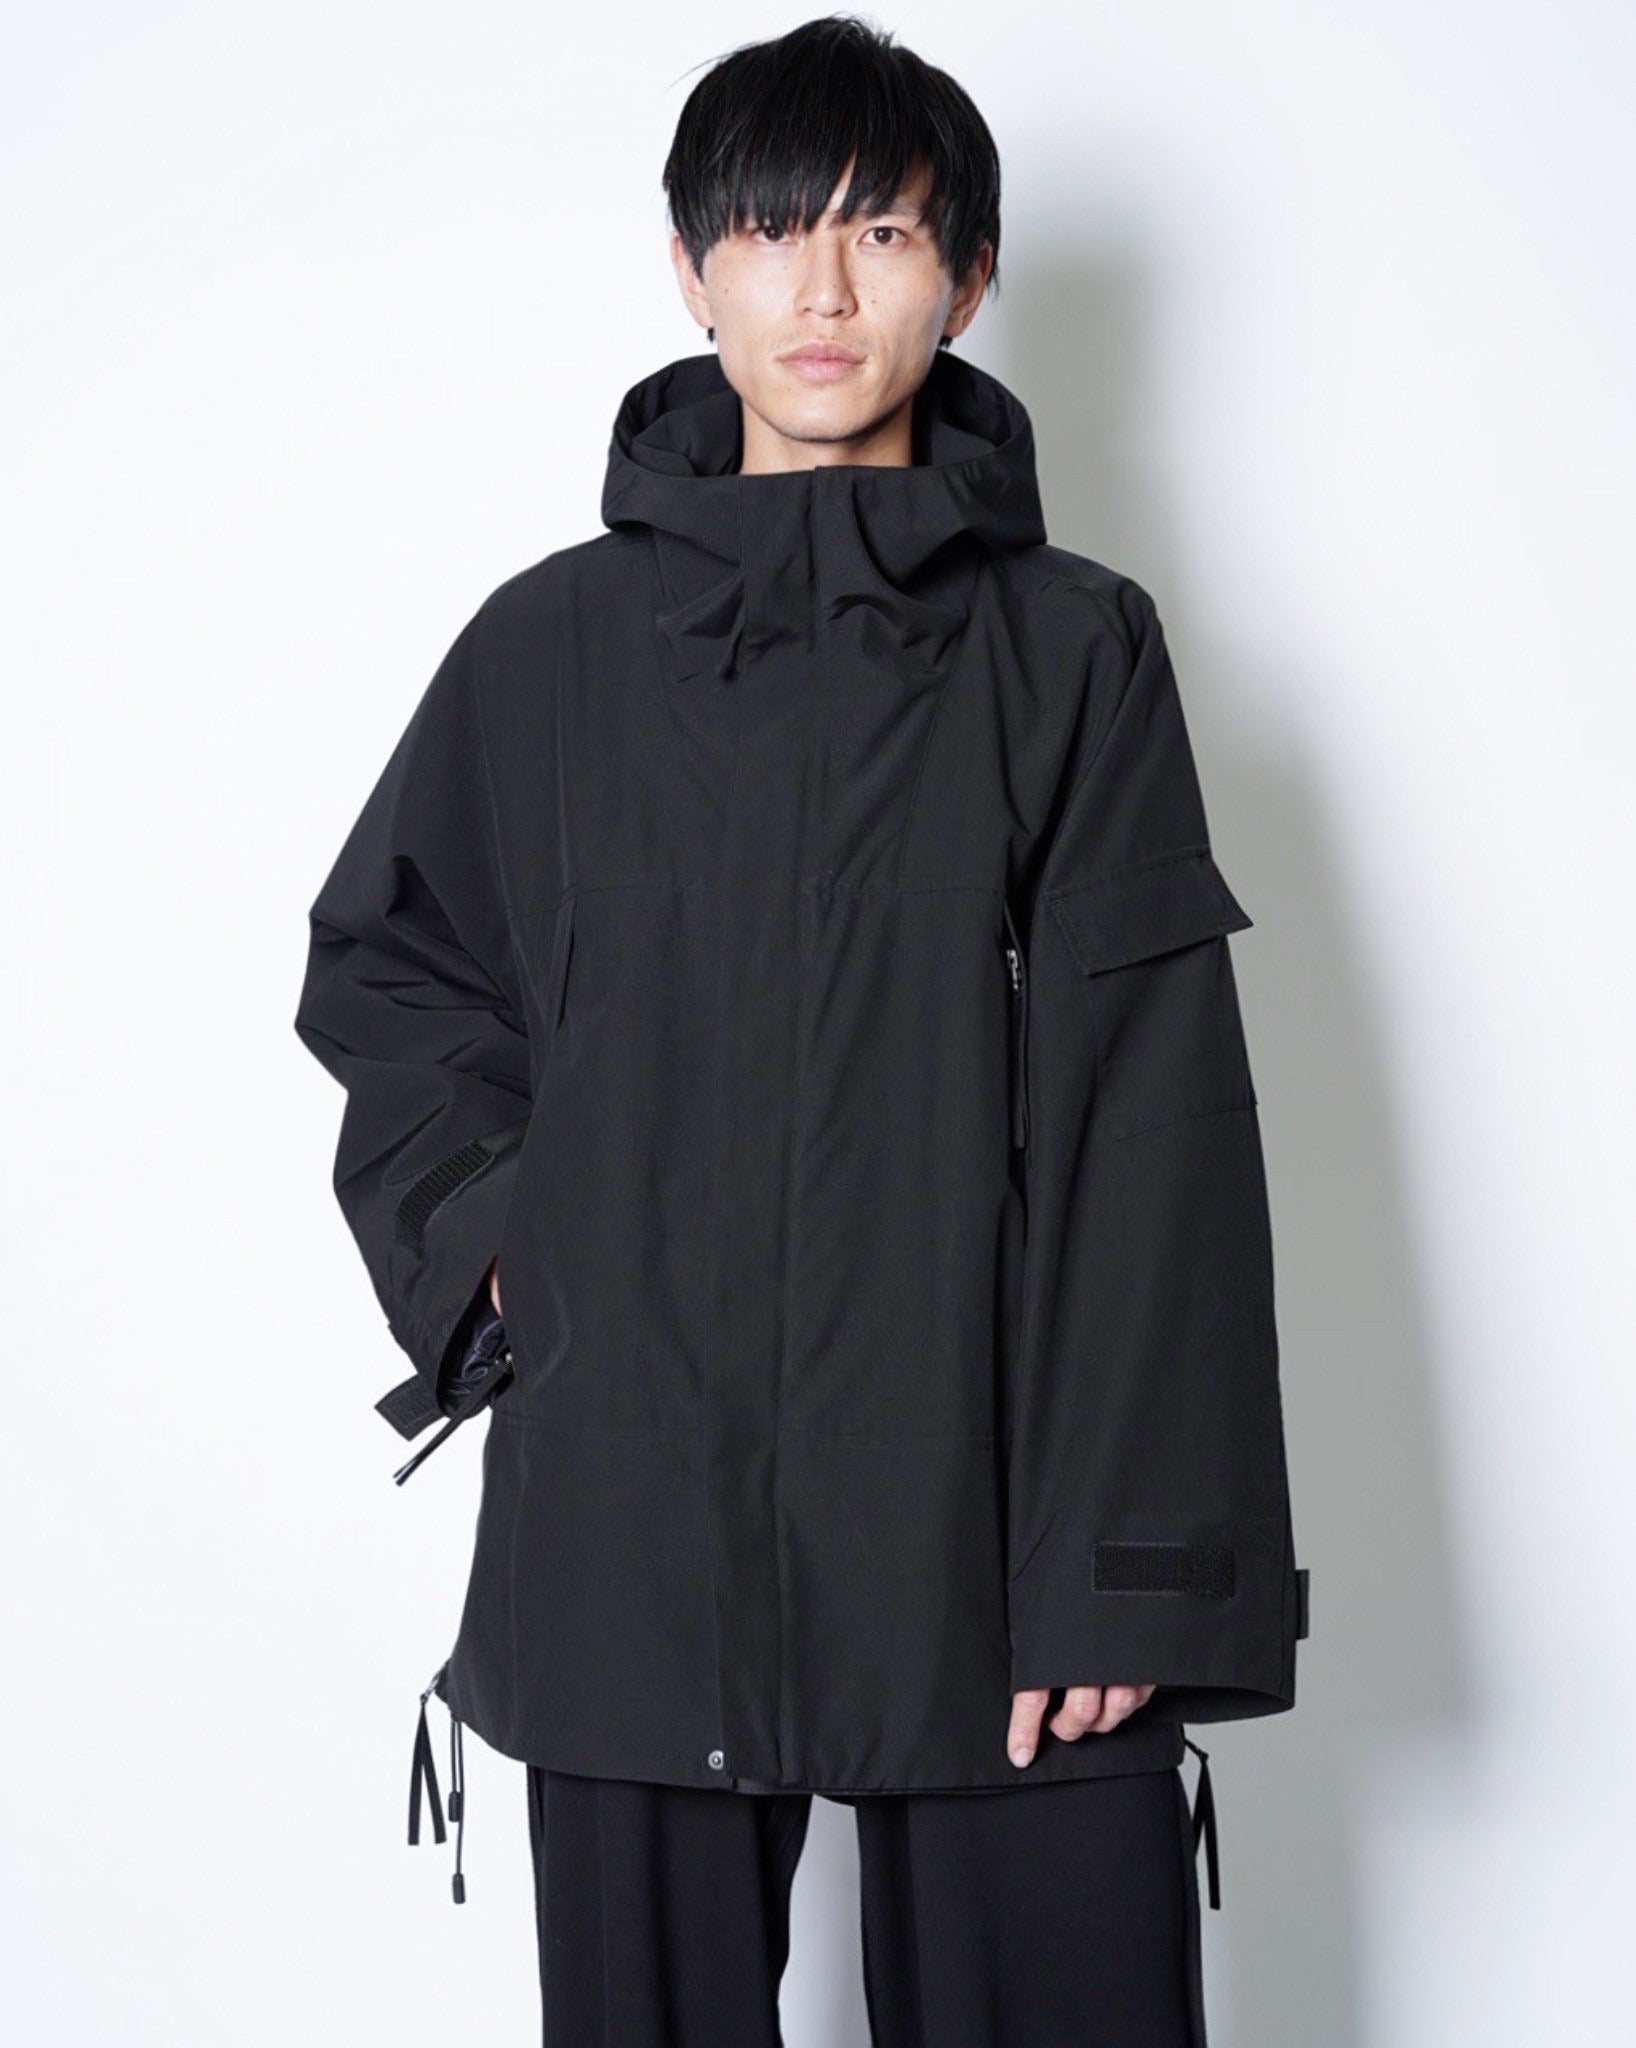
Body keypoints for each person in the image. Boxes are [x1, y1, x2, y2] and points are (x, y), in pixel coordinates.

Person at [293, 15, 1309, 2044]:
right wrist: (504, 1249)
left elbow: (1152, 1115)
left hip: (991, 1516)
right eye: (769, 233)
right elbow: (393, 970)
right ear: (692, 271)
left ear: (970, 277)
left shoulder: (1071, 651)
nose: (824, 290)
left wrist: (1121, 1574)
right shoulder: (551, 648)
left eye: (883, 234)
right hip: (633, 1512)